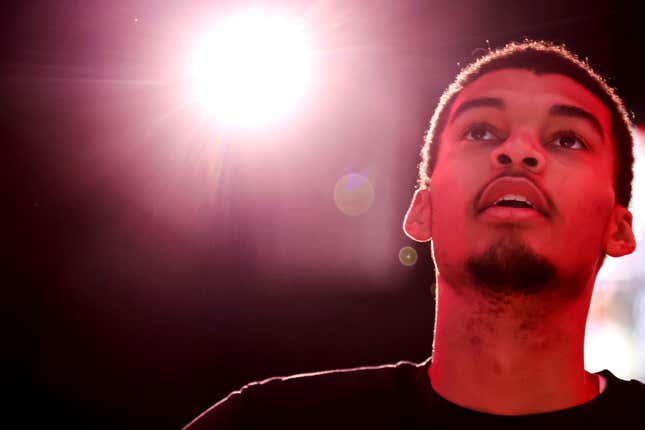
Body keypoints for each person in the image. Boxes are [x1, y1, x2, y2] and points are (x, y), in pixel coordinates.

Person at [183, 40, 645, 429]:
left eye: (566, 139)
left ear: (619, 229)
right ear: (422, 211)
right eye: (482, 131)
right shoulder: (266, 422)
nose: (517, 151)